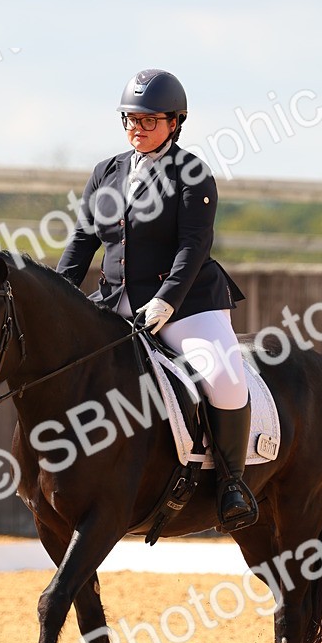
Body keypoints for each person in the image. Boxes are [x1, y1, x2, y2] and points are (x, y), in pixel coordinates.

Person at [56, 68, 258, 531]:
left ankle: (232, 482)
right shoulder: (106, 172)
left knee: (223, 377)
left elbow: (194, 246)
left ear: (175, 122)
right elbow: (83, 241)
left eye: (150, 121)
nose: (138, 129)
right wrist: (61, 295)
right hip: (115, 300)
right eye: (130, 119)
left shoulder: (191, 172)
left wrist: (166, 301)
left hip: (187, 304)